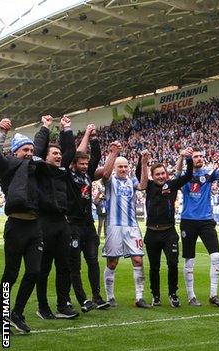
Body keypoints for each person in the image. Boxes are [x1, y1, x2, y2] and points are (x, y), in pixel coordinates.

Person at [0, 118, 44, 333]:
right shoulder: (8, 165)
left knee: (35, 271)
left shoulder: (35, 168)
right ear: (16, 151)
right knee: (11, 274)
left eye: (31, 149)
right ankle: (2, 315)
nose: (29, 152)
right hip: (16, 226)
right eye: (25, 149)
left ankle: (17, 312)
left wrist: (46, 127)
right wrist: (2, 132)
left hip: (35, 227)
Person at [34, 115, 81, 320]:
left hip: (62, 223)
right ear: (46, 156)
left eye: (59, 153)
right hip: (44, 223)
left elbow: (70, 151)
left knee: (64, 265)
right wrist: (45, 127)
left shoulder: (62, 171)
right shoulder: (40, 170)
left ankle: (63, 305)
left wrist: (67, 129)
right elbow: (36, 152)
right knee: (43, 268)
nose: (59, 156)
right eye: (54, 153)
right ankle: (43, 307)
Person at [177, 147, 219, 307]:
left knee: (216, 257)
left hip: (207, 220)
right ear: (191, 159)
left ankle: (213, 295)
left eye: (201, 156)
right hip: (188, 220)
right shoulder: (185, 176)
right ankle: (191, 296)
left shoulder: (209, 174)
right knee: (189, 259)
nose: (199, 158)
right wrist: (182, 156)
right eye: (195, 156)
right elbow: (177, 172)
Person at [139, 147, 193, 307]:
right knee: (154, 267)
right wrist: (142, 161)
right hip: (152, 233)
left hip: (169, 233)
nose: (161, 176)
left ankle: (173, 294)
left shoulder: (172, 184)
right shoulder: (147, 186)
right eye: (158, 174)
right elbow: (139, 177)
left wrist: (188, 159)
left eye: (163, 173)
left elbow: (188, 175)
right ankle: (155, 295)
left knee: (172, 263)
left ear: (166, 174)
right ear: (152, 176)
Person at [66, 123, 110, 312]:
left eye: (86, 164)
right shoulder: (67, 175)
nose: (84, 166)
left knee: (93, 261)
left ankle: (97, 297)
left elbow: (98, 156)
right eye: (81, 164)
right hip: (72, 225)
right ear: (74, 164)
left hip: (88, 225)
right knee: (74, 264)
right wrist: (85, 135)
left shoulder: (88, 176)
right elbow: (74, 153)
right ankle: (81, 299)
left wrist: (93, 137)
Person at [101, 144, 150, 308]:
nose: (123, 169)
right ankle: (110, 296)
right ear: (115, 167)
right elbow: (104, 175)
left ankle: (139, 297)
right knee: (112, 263)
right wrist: (113, 154)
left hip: (132, 227)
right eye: (120, 166)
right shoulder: (109, 180)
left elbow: (143, 185)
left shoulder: (132, 180)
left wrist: (143, 164)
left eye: (125, 166)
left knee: (138, 260)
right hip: (114, 226)